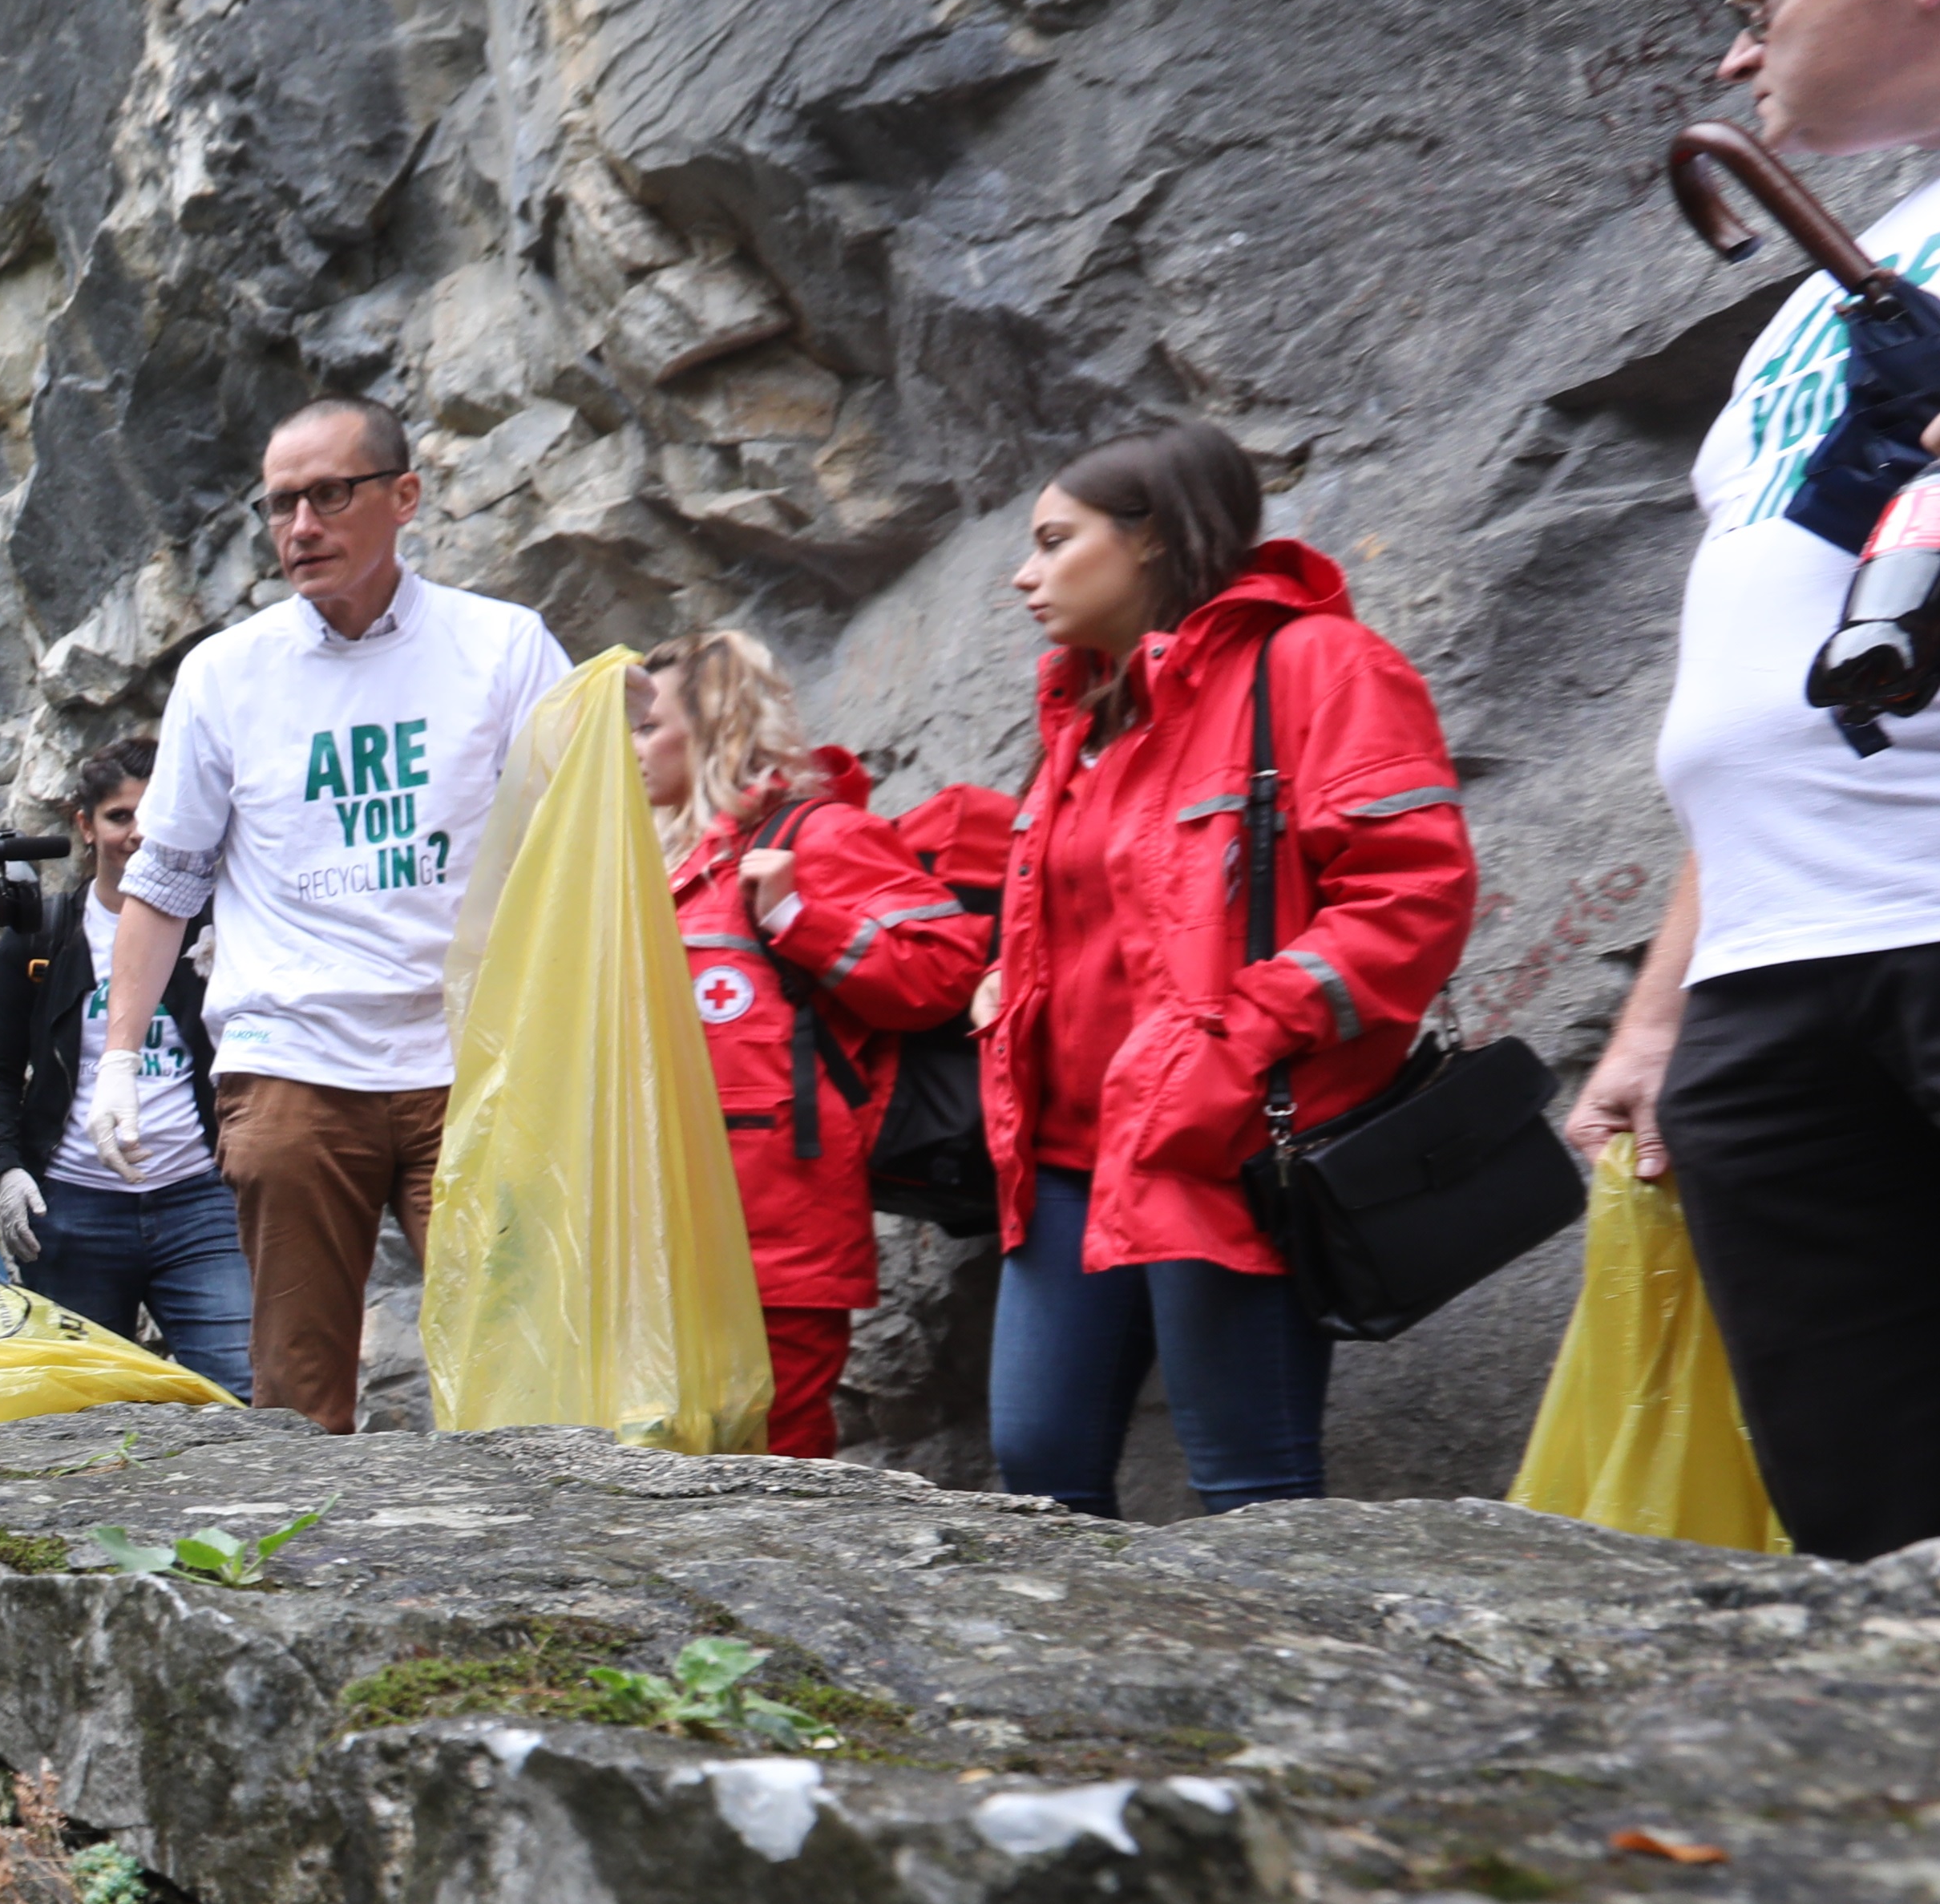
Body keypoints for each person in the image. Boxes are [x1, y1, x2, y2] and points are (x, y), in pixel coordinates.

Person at [1562, 0, 1940, 1562]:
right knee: (1867, 1527)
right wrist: (1659, 1012)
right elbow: (1762, 697)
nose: (1735, 51)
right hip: (1777, 988)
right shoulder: (1822, 300)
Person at [974, 421, 1479, 1517]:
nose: (1026, 574)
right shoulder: (1083, 713)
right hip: (1062, 1161)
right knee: (1036, 1473)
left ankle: (1295, 1692)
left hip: (1223, 1143)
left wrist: (1237, 1043)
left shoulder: (1316, 664)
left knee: (1253, 1494)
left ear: (1150, 540)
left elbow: (1413, 895)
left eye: (1056, 540)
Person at [83, 398, 573, 1430]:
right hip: (293, 1061)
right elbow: (163, 880)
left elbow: (573, 851)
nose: (301, 525)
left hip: (473, 1064)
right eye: (280, 505)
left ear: (402, 497)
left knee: (518, 1371)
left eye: (328, 495)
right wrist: (118, 1059)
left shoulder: (503, 648)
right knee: (298, 1395)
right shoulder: (227, 673)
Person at [636, 629, 988, 1457]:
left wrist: (801, 918)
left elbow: (944, 965)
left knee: (777, 1478)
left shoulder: (816, 834)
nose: (634, 747)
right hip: (671, 1231)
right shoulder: (667, 863)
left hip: (783, 1237)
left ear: (718, 723)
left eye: (650, 725)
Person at [0, 735, 251, 1396]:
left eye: (151, 815)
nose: (136, 834)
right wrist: (10, 1170)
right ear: (85, 824)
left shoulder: (217, 927)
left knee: (245, 1386)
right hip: (75, 1205)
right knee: (80, 1411)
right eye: (118, 817)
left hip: (201, 1199)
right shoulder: (41, 938)